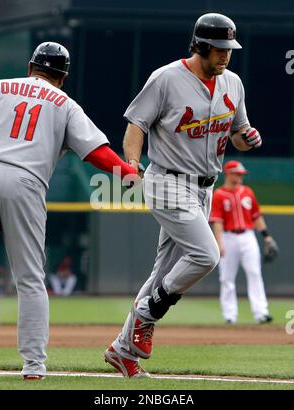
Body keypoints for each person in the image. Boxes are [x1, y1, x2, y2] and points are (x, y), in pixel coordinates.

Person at [104, 13, 263, 378]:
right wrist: (130, 163)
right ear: (200, 45)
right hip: (167, 181)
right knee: (206, 255)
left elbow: (238, 134)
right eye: (219, 48)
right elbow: (136, 125)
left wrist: (247, 139)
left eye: (229, 48)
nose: (226, 55)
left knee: (161, 273)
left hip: (205, 186)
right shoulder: (166, 78)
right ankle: (148, 315)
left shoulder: (233, 84)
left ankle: (121, 350)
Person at [0, 42, 138, 380]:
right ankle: (33, 367)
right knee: (29, 279)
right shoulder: (65, 103)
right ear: (63, 77)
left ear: (31, 67)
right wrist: (128, 172)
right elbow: (96, 153)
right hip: (25, 182)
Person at [209, 160, 277, 324]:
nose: (241, 176)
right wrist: (219, 244)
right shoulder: (219, 194)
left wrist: (266, 236)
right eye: (238, 174)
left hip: (248, 236)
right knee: (226, 277)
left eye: (241, 174)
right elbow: (217, 222)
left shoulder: (247, 192)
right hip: (227, 237)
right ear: (229, 173)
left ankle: (261, 313)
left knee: (254, 273)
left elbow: (256, 216)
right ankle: (230, 315)